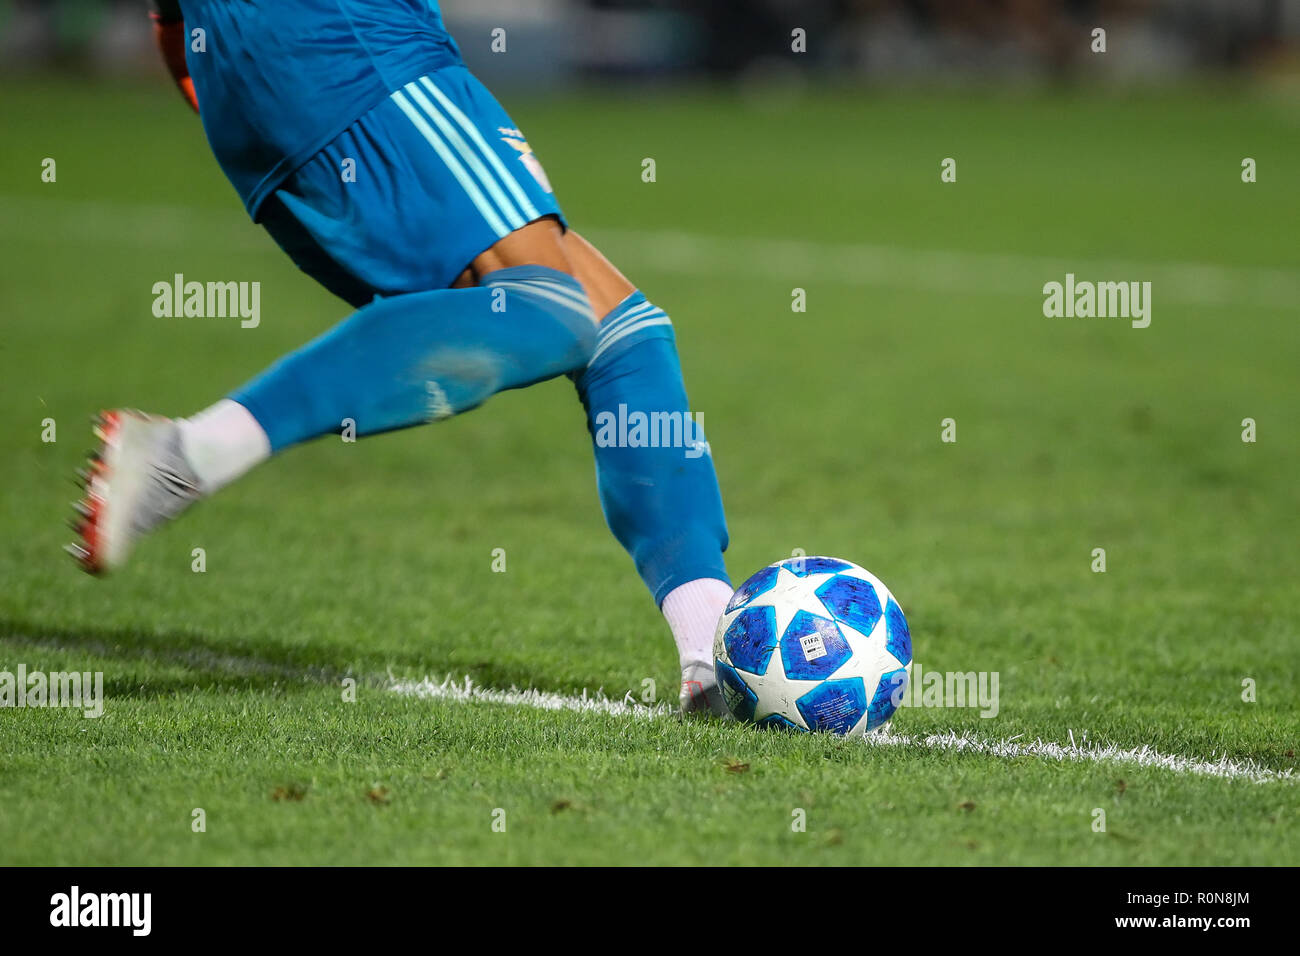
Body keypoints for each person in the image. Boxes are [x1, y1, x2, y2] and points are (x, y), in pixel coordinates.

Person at [68, 0, 733, 716]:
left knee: (621, 332)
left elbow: (172, 25)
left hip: (255, 69)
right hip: (350, 40)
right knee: (552, 308)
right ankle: (187, 452)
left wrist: (210, 61)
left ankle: (712, 655)